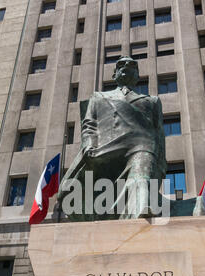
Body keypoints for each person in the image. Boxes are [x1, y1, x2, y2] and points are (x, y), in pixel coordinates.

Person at [58, 56, 167, 221]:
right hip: (107, 147)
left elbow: (159, 133)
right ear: (114, 75)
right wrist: (89, 144)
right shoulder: (99, 97)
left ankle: (141, 207)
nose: (127, 66)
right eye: (121, 65)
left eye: (132, 66)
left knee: (141, 174)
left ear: (138, 76)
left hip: (142, 145)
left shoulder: (152, 101)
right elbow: (89, 124)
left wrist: (161, 163)